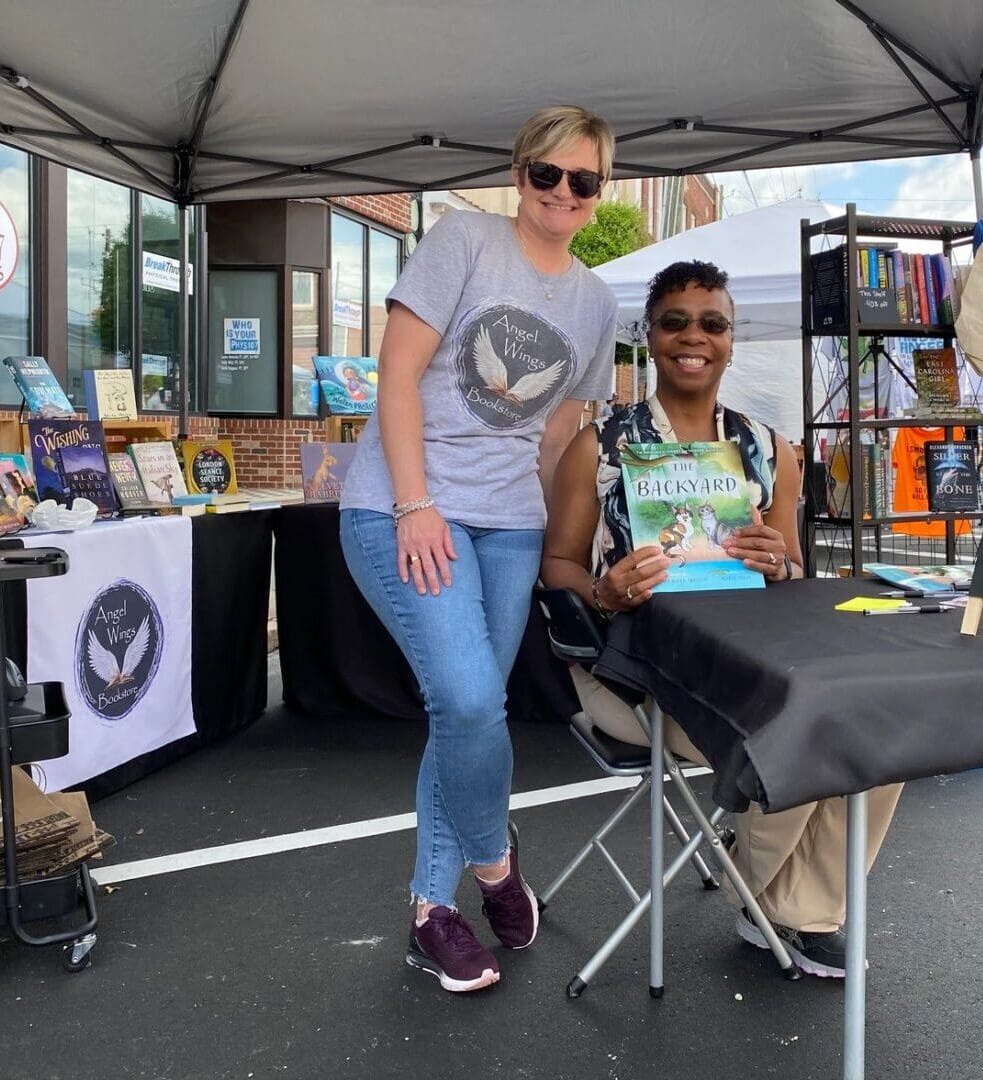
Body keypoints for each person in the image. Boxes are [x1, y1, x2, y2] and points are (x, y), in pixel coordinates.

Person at [540, 259, 903, 979]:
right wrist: (606, 592)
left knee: (876, 731)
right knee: (794, 727)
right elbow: (556, 566)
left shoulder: (770, 450)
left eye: (712, 322)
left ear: (731, 338)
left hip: (750, 658)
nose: (692, 336)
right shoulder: (602, 446)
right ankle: (763, 893)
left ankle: (797, 908)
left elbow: (796, 570)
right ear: (649, 335)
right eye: (674, 321)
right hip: (636, 674)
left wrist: (778, 564)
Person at [339, 105, 619, 993]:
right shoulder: (463, 241)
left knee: (467, 718)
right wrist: (416, 503)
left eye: (584, 180)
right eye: (548, 174)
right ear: (520, 170)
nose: (563, 193)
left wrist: (559, 540)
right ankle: (494, 868)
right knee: (464, 696)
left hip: (511, 524)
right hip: (407, 505)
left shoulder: (597, 299)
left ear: (598, 190)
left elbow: (561, 433)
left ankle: (432, 909)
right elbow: (398, 376)